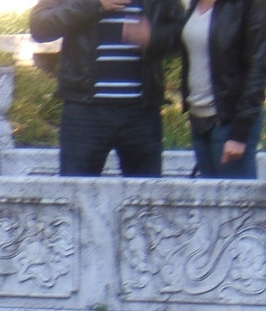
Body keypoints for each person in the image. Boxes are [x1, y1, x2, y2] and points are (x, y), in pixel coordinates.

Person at [30, 0, 187, 176]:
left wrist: (154, 37)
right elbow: (39, 27)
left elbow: (184, 32)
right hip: (84, 112)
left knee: (144, 197)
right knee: (77, 195)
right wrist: (94, 4)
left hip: (141, 113)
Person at [179, 0, 266, 178]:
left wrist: (239, 133)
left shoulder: (250, 4)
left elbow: (258, 68)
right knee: (208, 203)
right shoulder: (194, 4)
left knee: (236, 204)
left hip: (230, 122)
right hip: (198, 120)